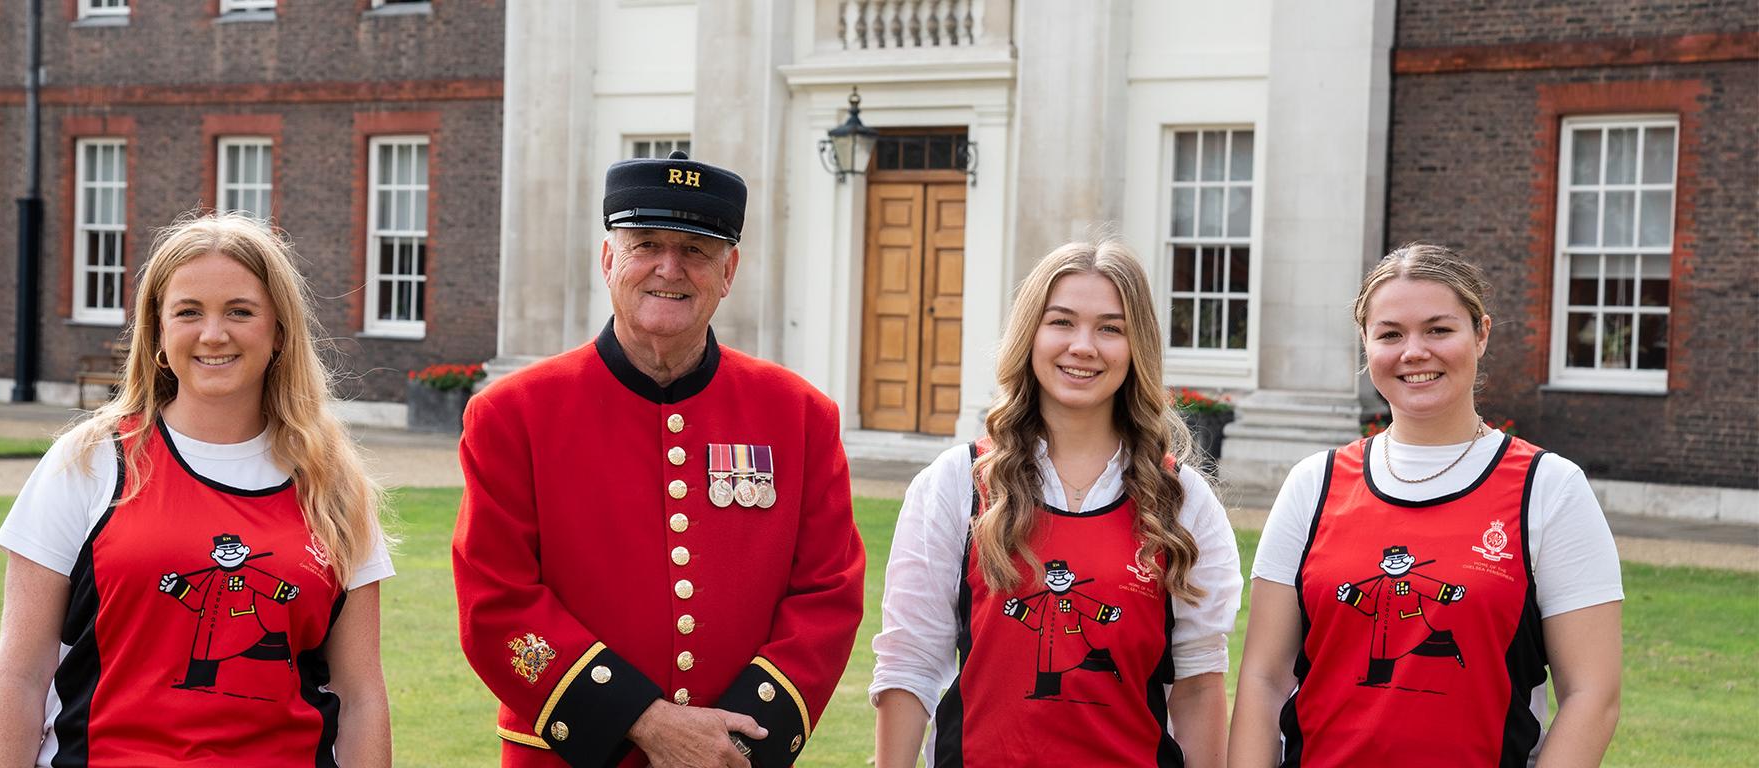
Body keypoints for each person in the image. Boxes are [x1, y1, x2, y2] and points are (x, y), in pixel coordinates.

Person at [453, 151, 866, 768]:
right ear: (607, 260)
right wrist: (644, 721)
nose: (669, 269)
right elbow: (496, 601)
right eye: (645, 243)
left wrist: (735, 740)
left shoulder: (800, 417)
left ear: (728, 272)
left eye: (696, 251)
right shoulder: (513, 415)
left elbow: (828, 594)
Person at [0, 213, 395, 766]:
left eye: (240, 312)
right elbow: (21, 677)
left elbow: (361, 696)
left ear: (279, 332)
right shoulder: (90, 462)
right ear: (158, 331)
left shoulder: (331, 484)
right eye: (188, 312)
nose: (213, 334)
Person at [1228, 244, 1622, 767]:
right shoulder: (1313, 485)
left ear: (1481, 333)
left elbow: (1592, 695)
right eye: (1390, 334)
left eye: (1439, 329)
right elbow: (1263, 678)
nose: (1414, 352)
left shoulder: (1549, 488)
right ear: (1366, 345)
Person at [870, 240, 1242, 768]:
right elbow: (909, 665)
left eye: (1110, 328)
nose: (1083, 346)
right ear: (1031, 334)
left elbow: (1199, 681)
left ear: (1138, 347)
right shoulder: (954, 483)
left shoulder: (1182, 501)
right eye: (1061, 322)